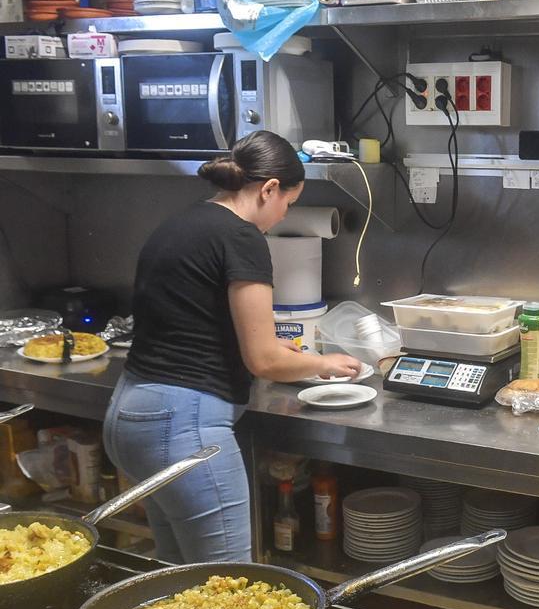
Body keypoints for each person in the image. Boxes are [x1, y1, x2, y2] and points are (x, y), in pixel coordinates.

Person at [103, 131, 361, 564]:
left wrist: (291, 353)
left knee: (178, 577)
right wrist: (323, 363)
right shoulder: (242, 237)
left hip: (130, 415)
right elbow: (263, 361)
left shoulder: (182, 223)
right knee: (226, 589)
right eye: (288, 205)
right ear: (269, 189)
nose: (281, 217)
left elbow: (200, 320)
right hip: (184, 426)